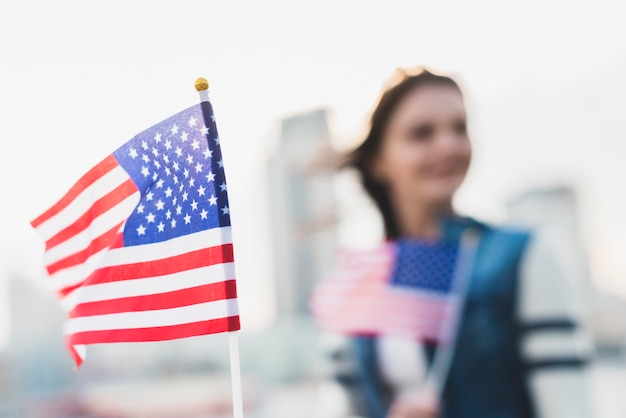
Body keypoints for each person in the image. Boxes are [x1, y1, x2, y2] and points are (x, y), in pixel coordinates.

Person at [311, 68, 593, 418]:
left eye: (459, 128)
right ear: (379, 162)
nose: (448, 145)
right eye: (421, 134)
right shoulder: (358, 285)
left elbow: (570, 408)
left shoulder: (524, 257)